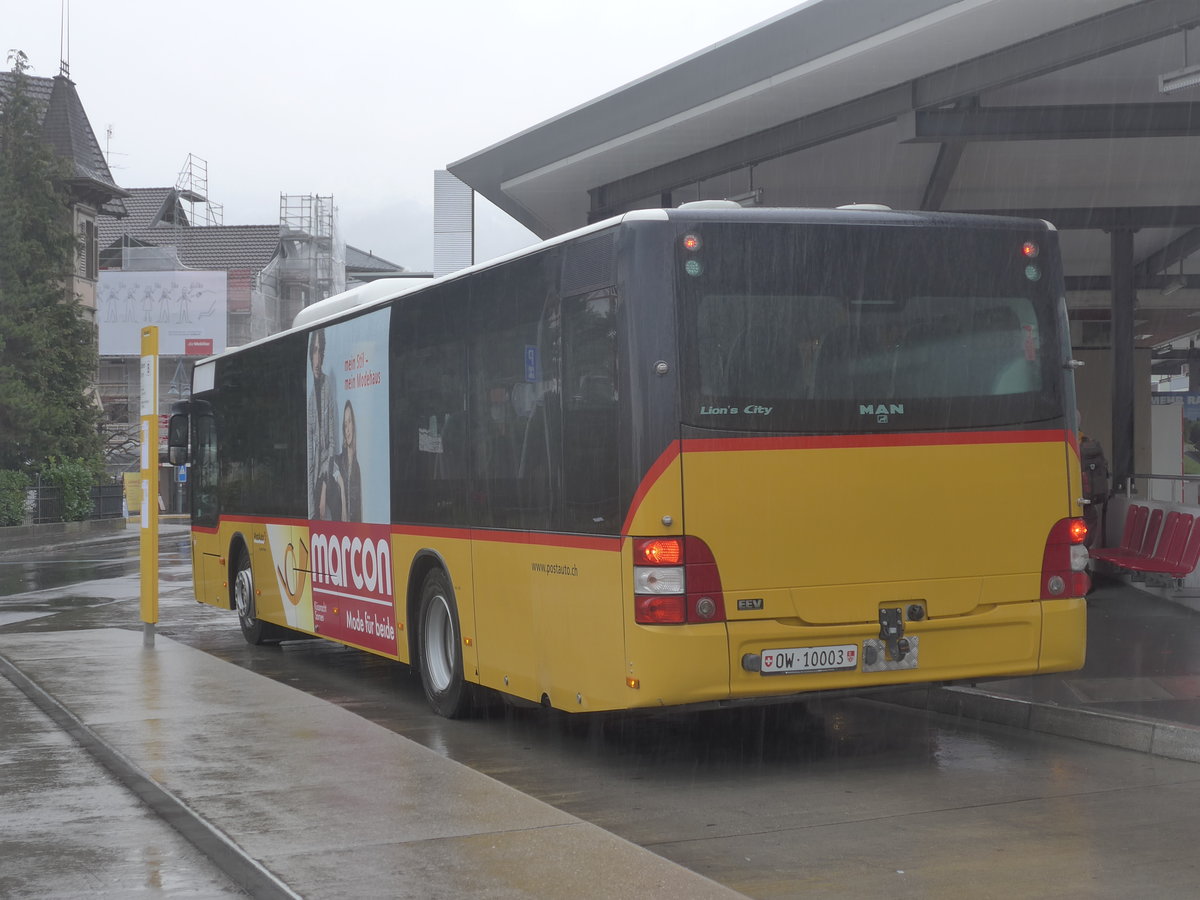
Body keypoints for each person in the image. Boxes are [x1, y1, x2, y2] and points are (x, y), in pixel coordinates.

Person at [306, 330, 338, 519]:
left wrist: (324, 486)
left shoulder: (328, 387)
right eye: (314, 351)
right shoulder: (310, 399)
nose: (317, 360)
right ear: (310, 355)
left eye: (320, 352)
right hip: (314, 481)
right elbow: (310, 455)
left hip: (326, 476)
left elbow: (332, 442)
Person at [1079, 413, 1109, 548]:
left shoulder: (1065, 442)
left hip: (1069, 497)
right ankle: (1084, 554)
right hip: (1087, 499)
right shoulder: (1087, 442)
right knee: (1090, 522)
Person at [333, 400, 363, 523]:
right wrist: (342, 488)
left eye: (349, 421)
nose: (348, 429)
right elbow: (328, 467)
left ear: (354, 425)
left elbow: (360, 512)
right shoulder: (337, 461)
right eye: (345, 425)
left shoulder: (357, 467)